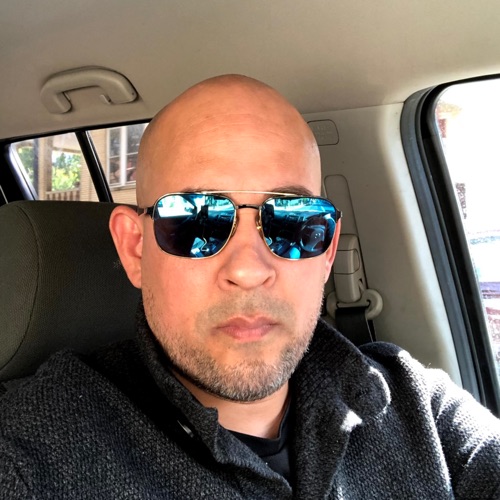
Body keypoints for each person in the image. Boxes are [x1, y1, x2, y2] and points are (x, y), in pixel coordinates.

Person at [1, 75, 500, 499]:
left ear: (327, 252)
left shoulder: (417, 406)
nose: (248, 269)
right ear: (135, 249)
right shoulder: (31, 452)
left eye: (293, 221)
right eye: (196, 221)